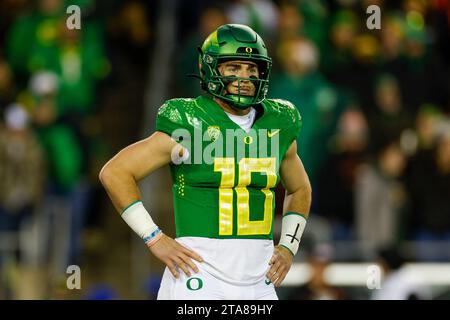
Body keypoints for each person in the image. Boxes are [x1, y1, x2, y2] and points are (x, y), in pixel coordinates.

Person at [100, 24, 312, 300]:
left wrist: (288, 246)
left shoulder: (279, 123)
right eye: (233, 68)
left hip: (258, 276)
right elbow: (115, 172)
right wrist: (155, 238)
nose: (245, 77)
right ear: (211, 70)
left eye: (251, 69)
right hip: (198, 273)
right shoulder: (189, 123)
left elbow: (300, 189)